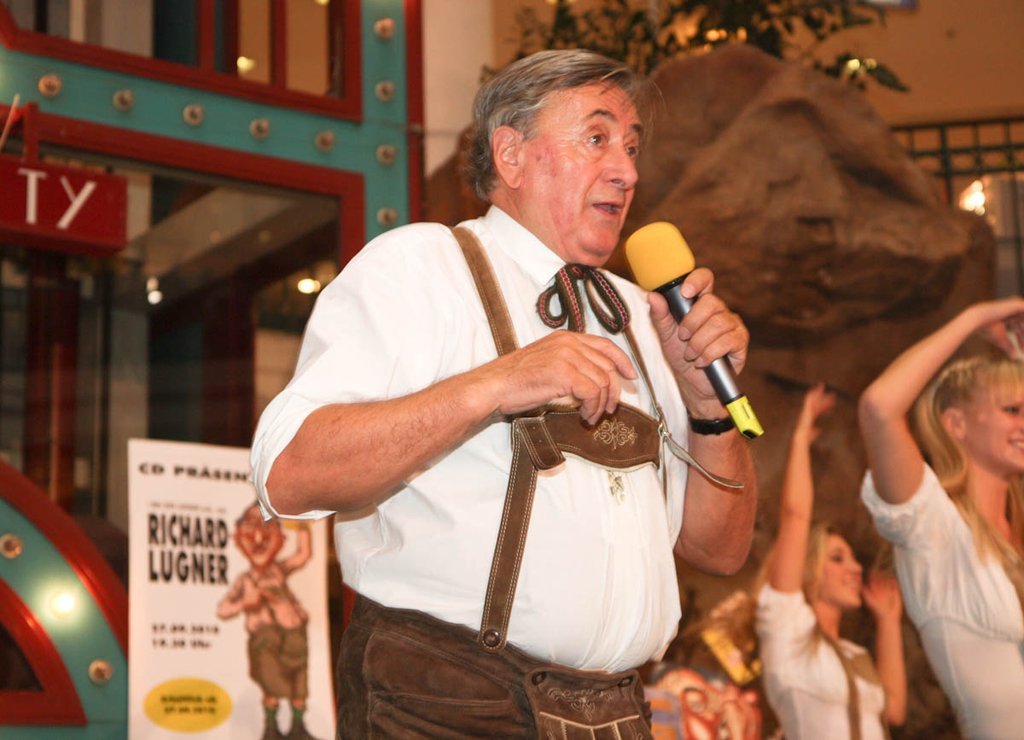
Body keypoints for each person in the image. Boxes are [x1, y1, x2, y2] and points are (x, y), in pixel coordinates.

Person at [251, 49, 757, 737]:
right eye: (597, 138)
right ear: (511, 155)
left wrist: (707, 412)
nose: (627, 170)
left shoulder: (647, 317)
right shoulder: (423, 268)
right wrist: (498, 382)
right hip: (448, 709)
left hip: (617, 714)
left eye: (632, 147)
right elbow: (288, 473)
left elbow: (720, 552)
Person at [858, 298, 1024, 739]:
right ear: (956, 424)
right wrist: (975, 317)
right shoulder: (933, 525)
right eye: (1012, 410)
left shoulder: (1017, 532)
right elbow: (879, 407)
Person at [758, 384, 906, 739]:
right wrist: (800, 438)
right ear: (809, 568)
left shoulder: (855, 653)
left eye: (852, 559)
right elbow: (796, 517)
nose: (855, 568)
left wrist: (888, 622)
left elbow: (894, 711)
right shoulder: (786, 626)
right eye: (838, 558)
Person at [217, 505, 318, 740]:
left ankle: (298, 728)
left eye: (266, 528)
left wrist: (302, 525)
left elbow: (303, 555)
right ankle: (271, 729)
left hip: (294, 636)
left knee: (299, 684)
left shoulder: (279, 570)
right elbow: (224, 609)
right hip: (266, 640)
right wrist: (245, 604)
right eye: (250, 528)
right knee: (271, 685)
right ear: (238, 538)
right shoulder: (245, 580)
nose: (259, 538)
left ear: (281, 538)